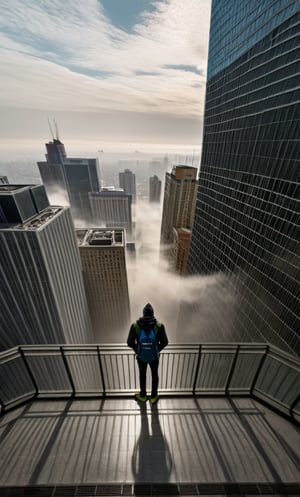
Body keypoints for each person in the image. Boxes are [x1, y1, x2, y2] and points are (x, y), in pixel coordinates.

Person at [127, 303, 168, 404]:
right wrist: (156, 350)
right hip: (154, 357)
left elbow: (129, 342)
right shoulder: (159, 325)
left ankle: (143, 396)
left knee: (142, 375)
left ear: (143, 314)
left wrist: (138, 350)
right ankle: (154, 396)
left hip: (141, 357)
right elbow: (165, 342)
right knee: (154, 375)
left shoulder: (135, 325)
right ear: (153, 314)